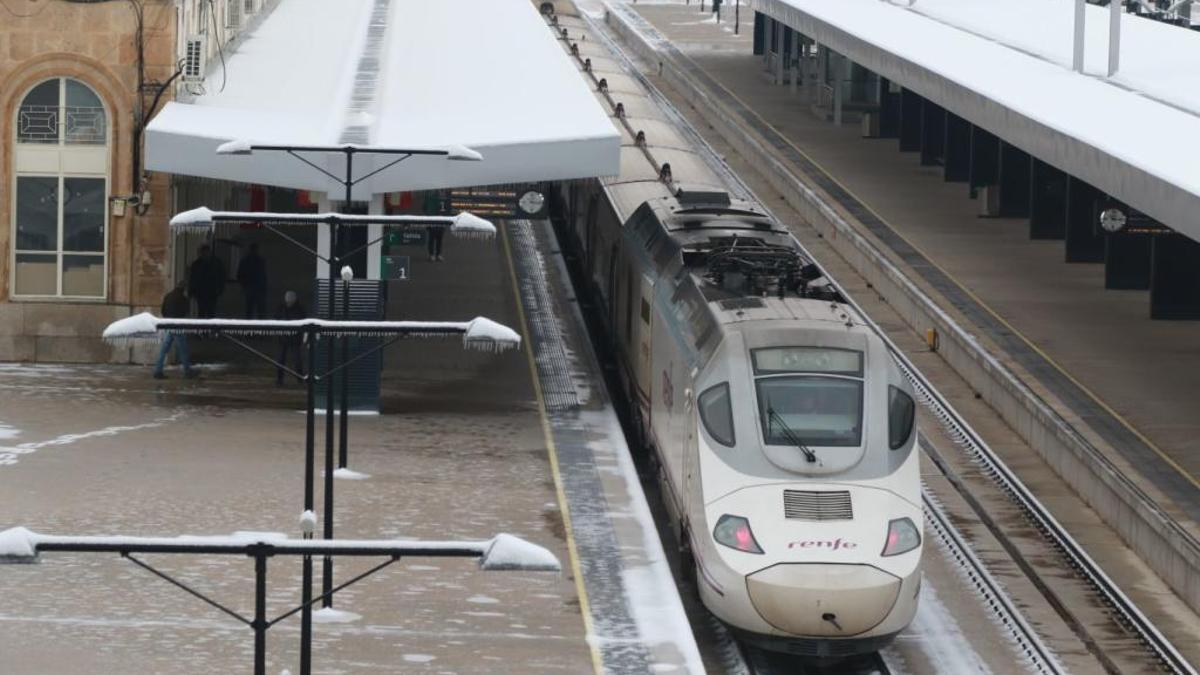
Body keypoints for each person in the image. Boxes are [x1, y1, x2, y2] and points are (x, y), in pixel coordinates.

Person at [153, 281, 197, 380]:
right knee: (183, 349)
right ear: (184, 289)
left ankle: (158, 370)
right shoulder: (183, 299)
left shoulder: (168, 296)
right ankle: (187, 371)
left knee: (164, 350)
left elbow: (163, 310)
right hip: (178, 325)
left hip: (169, 324)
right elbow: (186, 312)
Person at [275, 290, 307, 385]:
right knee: (281, 360)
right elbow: (276, 320)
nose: (289, 303)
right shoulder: (281, 308)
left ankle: (299, 379)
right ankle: (280, 379)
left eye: (290, 301)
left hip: (294, 339)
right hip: (283, 337)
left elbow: (302, 322)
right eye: (288, 301)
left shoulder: (299, 309)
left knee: (297, 360)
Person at [188, 244, 226, 318]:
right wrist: (192, 290)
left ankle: (205, 324)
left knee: (208, 311)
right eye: (204, 253)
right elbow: (193, 278)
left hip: (210, 291)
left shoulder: (215, 263)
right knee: (204, 311)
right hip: (203, 291)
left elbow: (221, 277)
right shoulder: (198, 264)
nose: (205, 254)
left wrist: (220, 289)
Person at [236, 242, 268, 319]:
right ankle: (259, 324)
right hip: (256, 288)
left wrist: (244, 285)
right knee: (259, 310)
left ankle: (251, 324)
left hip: (250, 288)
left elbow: (239, 275)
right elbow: (263, 275)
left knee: (250, 310)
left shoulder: (245, 261)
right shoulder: (260, 261)